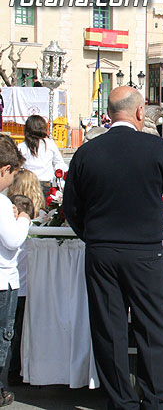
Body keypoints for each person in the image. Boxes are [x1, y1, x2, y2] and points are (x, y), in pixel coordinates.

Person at [62, 86, 163, 410]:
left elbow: (71, 206)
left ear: (108, 114)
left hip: (102, 251)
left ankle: (121, 401)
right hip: (145, 251)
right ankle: (156, 401)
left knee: (109, 329)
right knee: (153, 327)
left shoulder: (87, 152)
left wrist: (92, 235)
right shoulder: (155, 148)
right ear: (139, 113)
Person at [6, 169, 44, 386]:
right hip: (32, 283)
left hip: (15, 282)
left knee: (11, 329)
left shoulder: (10, 216)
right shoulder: (40, 218)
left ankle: (12, 369)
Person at [0, 135, 30, 406]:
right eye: (14, 174)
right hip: (3, 280)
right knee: (2, 337)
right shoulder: (0, 203)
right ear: (4, 171)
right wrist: (23, 220)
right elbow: (12, 240)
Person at [17, 115, 67, 195]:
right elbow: (59, 163)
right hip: (45, 185)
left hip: (27, 186)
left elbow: (18, 167)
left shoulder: (22, 146)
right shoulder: (50, 144)